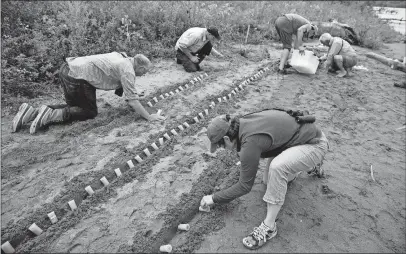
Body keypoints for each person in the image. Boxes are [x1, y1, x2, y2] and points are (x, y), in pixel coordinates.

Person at [200, 108, 329, 250]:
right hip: (298, 139)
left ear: (226, 139)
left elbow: (245, 186)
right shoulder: (243, 122)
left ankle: (269, 227)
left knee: (277, 168)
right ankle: (305, 165)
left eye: (220, 146)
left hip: (314, 144)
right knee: (269, 182)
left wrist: (213, 198)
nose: (222, 149)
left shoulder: (250, 142)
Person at [12, 52, 165, 134]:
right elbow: (132, 101)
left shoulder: (123, 57)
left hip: (68, 68)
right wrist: (149, 117)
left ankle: (32, 112)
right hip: (79, 77)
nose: (144, 75)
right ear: (142, 68)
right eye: (145, 73)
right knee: (88, 111)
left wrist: (133, 92)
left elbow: (123, 85)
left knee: (74, 106)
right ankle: (50, 116)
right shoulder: (128, 70)